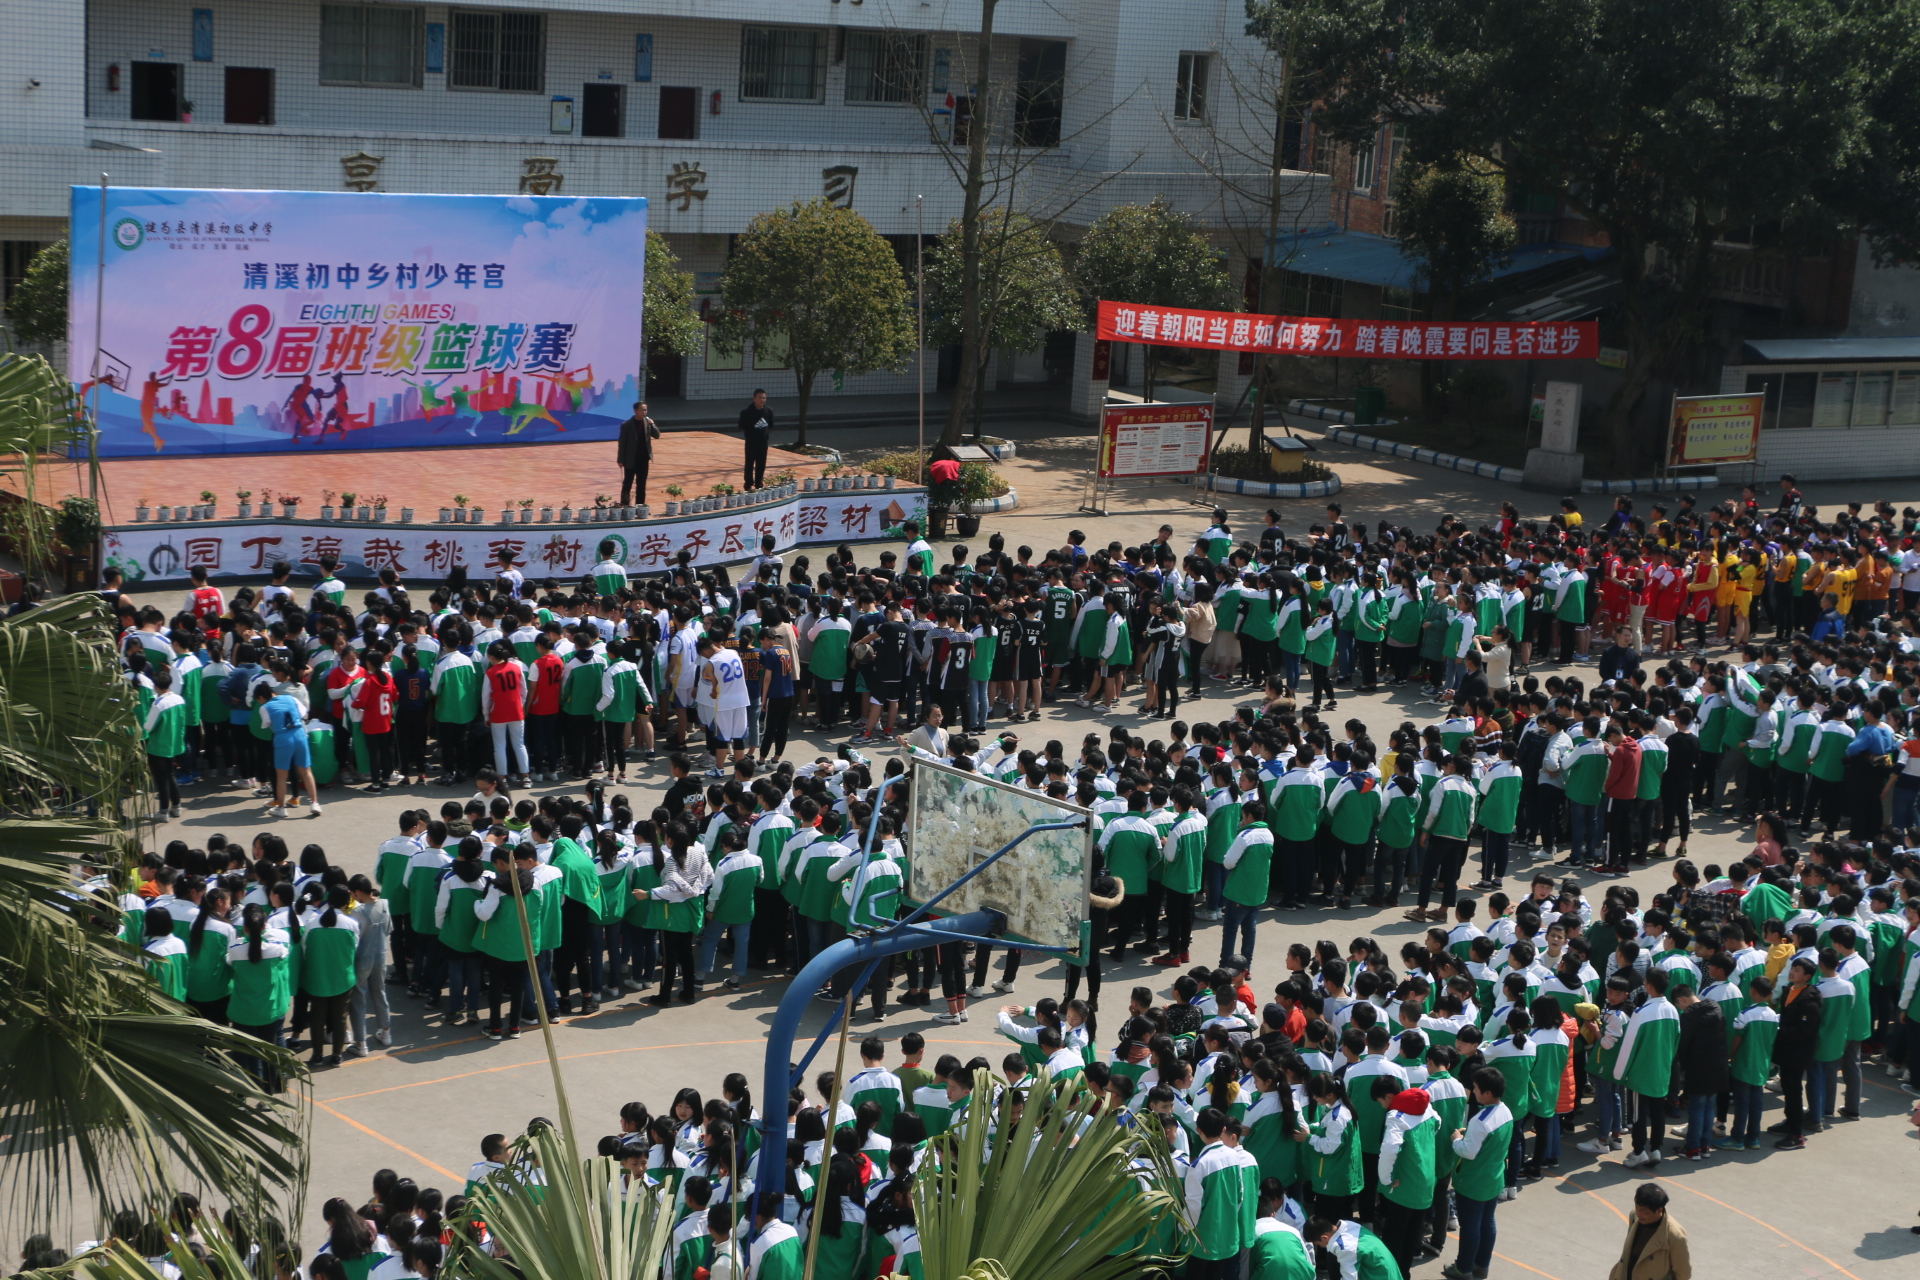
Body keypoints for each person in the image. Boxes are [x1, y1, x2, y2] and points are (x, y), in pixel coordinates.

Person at [1608, 1183, 1691, 1280]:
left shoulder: (1675, 1235)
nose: (1640, 1214)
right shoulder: (1634, 1216)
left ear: (1659, 1210)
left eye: (1646, 1212)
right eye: (1638, 1208)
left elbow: (1683, 1274)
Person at [617, 400, 662, 506]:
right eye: (643, 410)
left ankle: (640, 506)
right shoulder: (626, 425)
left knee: (641, 485)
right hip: (630, 459)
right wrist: (620, 459)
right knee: (627, 484)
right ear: (636, 411)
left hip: (643, 459)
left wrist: (653, 424)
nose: (645, 412)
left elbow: (657, 435)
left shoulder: (648, 423)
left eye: (646, 410)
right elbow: (622, 443)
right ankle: (624, 505)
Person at [739, 389, 774, 490]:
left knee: (761, 463)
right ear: (754, 398)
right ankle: (748, 483)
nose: (762, 400)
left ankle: (759, 482)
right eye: (760, 398)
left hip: (763, 443)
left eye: (764, 398)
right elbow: (741, 426)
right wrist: (754, 427)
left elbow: (771, 425)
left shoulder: (768, 411)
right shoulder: (746, 412)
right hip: (751, 442)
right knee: (749, 463)